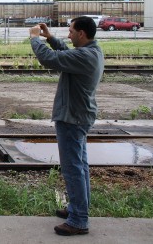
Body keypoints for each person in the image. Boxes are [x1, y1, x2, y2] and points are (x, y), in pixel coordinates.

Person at [29, 17, 104, 236]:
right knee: (80, 166)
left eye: (71, 31)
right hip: (78, 116)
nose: (68, 35)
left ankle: (79, 220)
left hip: (72, 118)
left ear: (81, 33)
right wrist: (50, 38)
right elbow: (66, 53)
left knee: (72, 169)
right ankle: (77, 209)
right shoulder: (92, 51)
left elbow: (49, 58)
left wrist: (35, 39)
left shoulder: (85, 56)